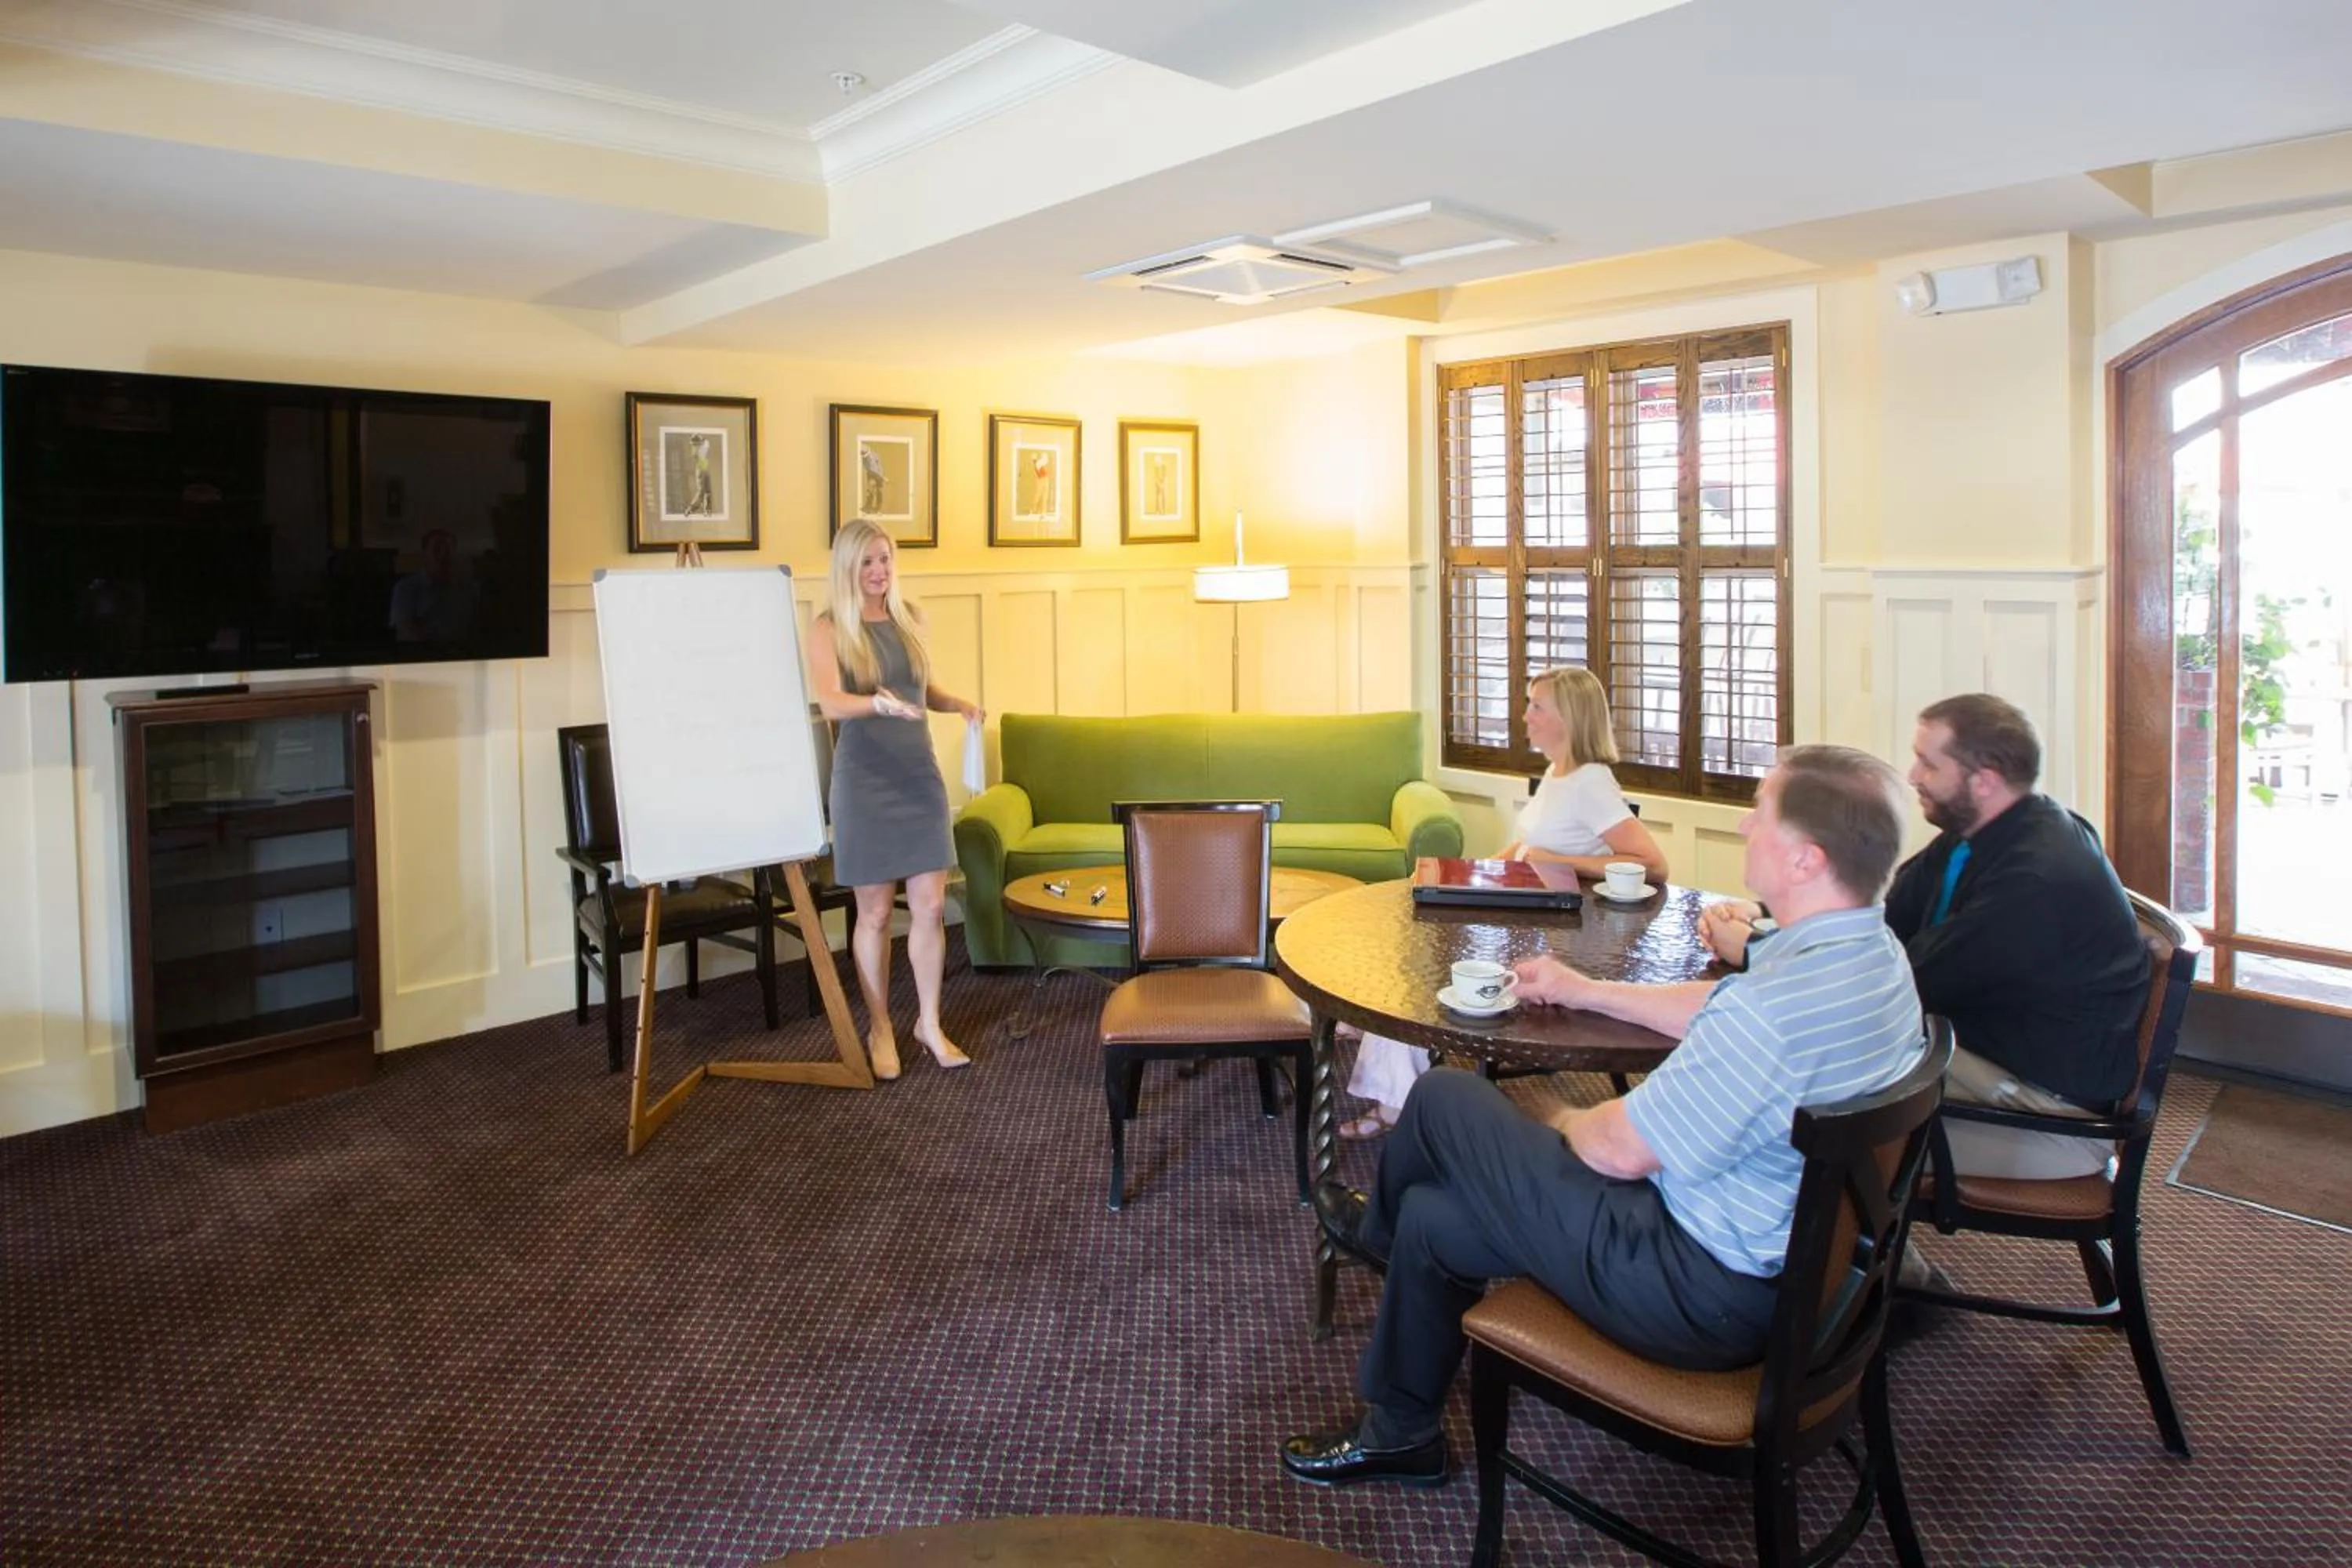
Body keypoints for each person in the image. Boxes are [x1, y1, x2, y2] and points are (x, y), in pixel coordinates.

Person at [1281, 746, 1924, 1489]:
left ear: (1807, 859)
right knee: (1434, 1217)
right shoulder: (1872, 958)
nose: (1746, 823)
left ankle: (1371, 1234)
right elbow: (1710, 1006)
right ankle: (1402, 1431)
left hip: (1695, 1290)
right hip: (1788, 1272)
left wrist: (1551, 1118)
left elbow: (1617, 1151)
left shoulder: (1770, 1015)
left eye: (1764, 812)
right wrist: (1584, 990)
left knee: (1446, 1100)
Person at [1698, 694, 2145, 1181]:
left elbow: (1890, 984)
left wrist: (1752, 950)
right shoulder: (1982, 833)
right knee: (1798, 1073)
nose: (1912, 776)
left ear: (1985, 780)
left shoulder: (2035, 880)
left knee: (1797, 1111)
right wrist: (1765, 913)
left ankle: (1864, 1255)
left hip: (2047, 1112)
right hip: (1981, 1053)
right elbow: (1880, 914)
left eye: (1929, 764)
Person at [1341, 666, 1668, 1138]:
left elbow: (1653, 864)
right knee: (1409, 935)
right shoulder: (1558, 773)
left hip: (1562, 948)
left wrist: (1552, 859)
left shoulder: (1591, 783)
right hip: (1525, 921)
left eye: (1537, 706)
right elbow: (1519, 853)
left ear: (1569, 718)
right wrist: (1462, 874)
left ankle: (1391, 1089)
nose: (1525, 716)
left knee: (1414, 968)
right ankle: (1381, 1049)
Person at [806, 519, 983, 1080]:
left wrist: (956, 703)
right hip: (864, 782)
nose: (879, 572)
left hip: (917, 776)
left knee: (931, 906)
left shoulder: (910, 619)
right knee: (877, 912)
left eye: (885, 559)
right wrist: (875, 705)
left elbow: (918, 688)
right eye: (867, 563)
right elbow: (832, 703)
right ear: (848, 568)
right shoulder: (829, 627)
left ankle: (928, 1022)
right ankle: (880, 1024)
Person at [387, 528, 477, 644]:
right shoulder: (406, 588)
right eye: (437, 548)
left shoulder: (467, 588)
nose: (444, 554)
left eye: (449, 549)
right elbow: (405, 633)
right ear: (425, 554)